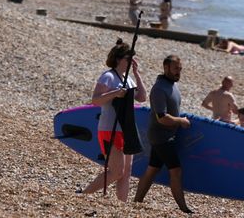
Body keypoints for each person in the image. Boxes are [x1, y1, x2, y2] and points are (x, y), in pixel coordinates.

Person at [82, 39, 148, 202]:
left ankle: (122, 206)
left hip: (126, 128)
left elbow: (142, 97)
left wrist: (137, 73)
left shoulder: (129, 78)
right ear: (119, 59)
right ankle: (84, 195)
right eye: (128, 58)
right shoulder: (108, 76)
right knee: (116, 171)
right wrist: (115, 93)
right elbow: (96, 100)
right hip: (109, 128)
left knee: (126, 172)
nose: (131, 61)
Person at [133, 55, 193, 214]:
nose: (178, 72)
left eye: (180, 69)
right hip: (162, 136)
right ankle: (184, 209)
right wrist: (180, 121)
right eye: (175, 69)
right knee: (176, 170)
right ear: (166, 68)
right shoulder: (159, 89)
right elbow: (162, 118)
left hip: (166, 136)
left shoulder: (172, 85)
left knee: (152, 169)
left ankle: (136, 201)